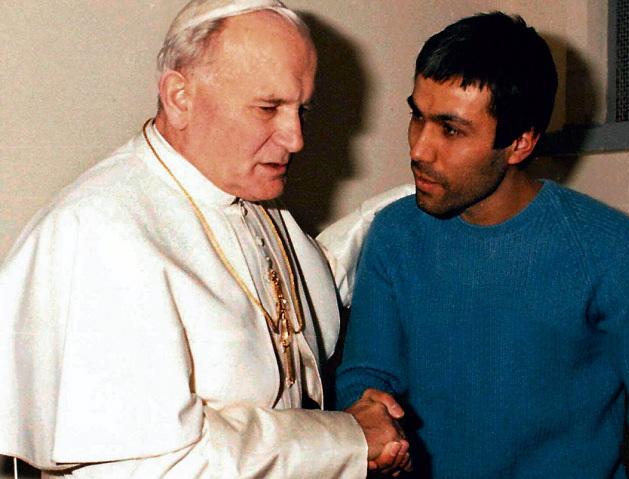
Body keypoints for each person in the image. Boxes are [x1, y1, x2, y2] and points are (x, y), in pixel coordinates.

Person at [0, 0, 413, 477]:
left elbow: (297, 308)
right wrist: (347, 438)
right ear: (180, 97)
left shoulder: (248, 197)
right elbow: (161, 463)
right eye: (268, 108)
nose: (296, 138)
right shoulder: (97, 234)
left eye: (302, 109)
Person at [335, 11, 629, 478]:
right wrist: (369, 413)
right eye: (418, 116)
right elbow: (366, 376)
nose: (419, 149)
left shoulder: (611, 250)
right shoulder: (393, 234)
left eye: (451, 129)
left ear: (520, 142)